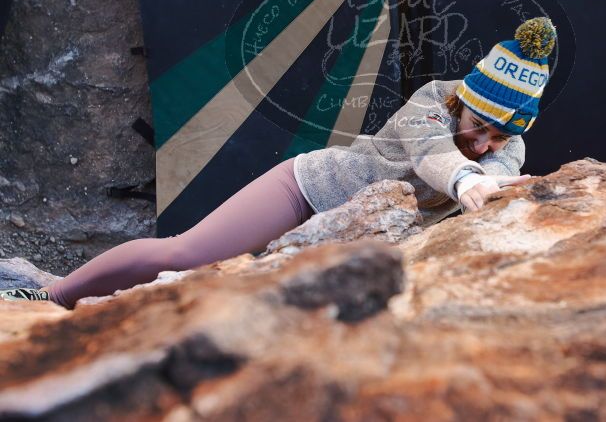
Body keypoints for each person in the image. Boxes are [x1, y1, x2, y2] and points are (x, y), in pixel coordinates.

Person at [0, 17, 557, 308]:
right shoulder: (432, 102)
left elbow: (496, 175)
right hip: (309, 190)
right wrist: (466, 182)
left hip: (365, 237)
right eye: (479, 129)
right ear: (464, 102)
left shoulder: (508, 149)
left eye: (499, 137)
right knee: (186, 253)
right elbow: (434, 155)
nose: (485, 145)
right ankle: (51, 296)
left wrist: (490, 186)